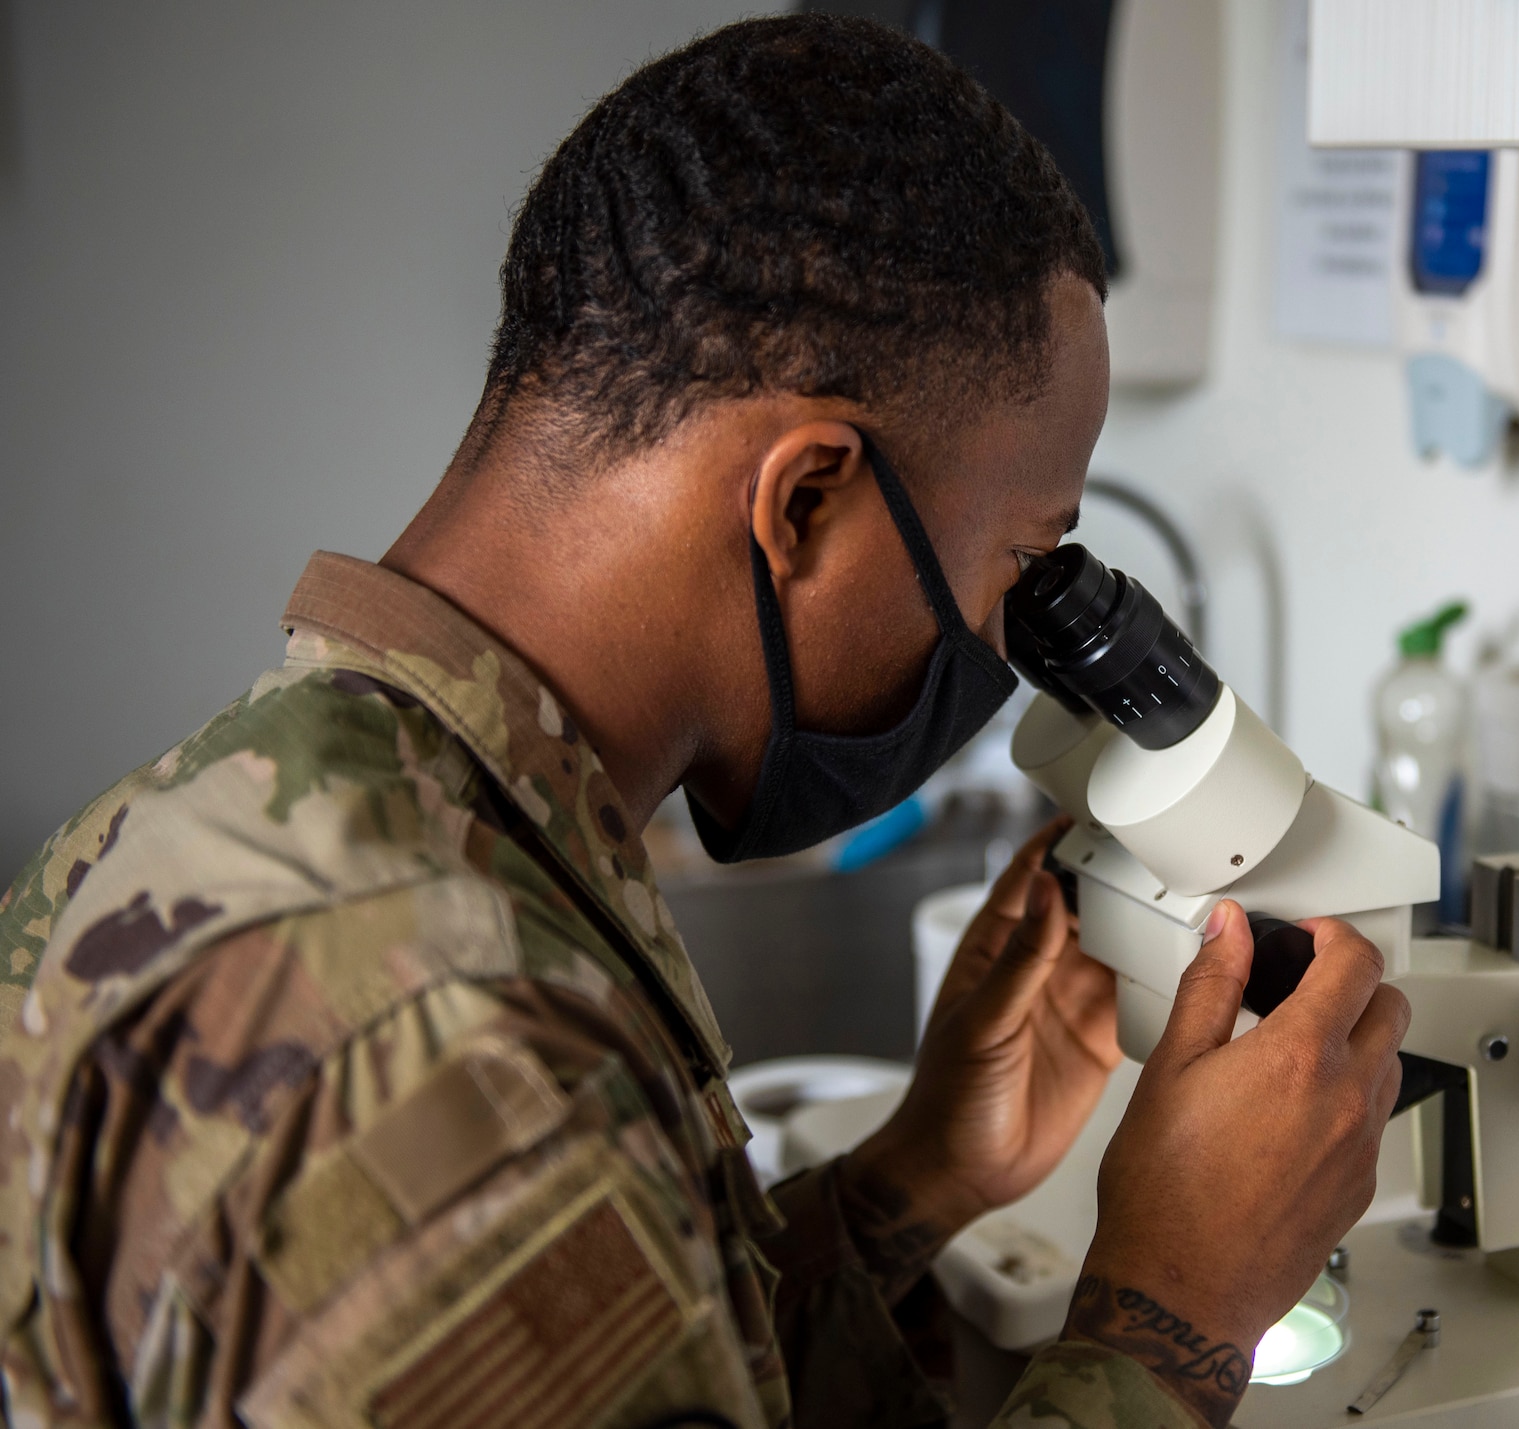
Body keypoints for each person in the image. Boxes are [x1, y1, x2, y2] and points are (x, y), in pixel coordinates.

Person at [0, 15, 1407, 1429]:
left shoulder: (249, 805)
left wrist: (913, 1178)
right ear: (804, 503)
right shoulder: (442, 1054)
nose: (1004, 643)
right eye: (1015, 569)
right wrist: (1171, 1313)